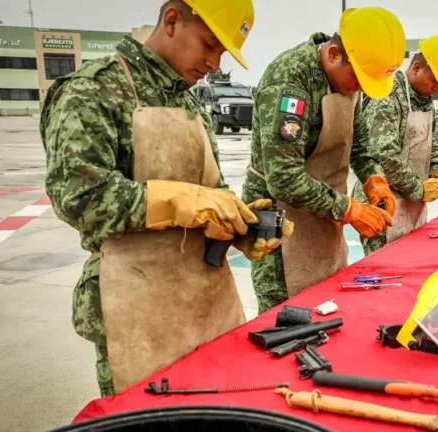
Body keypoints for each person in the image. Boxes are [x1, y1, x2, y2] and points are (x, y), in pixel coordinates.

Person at [40, 0, 291, 398]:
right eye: (209, 44)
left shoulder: (191, 103)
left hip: (206, 302)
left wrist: (239, 224)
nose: (213, 62)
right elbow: (77, 198)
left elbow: (212, 189)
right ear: (172, 20)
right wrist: (177, 200)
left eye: (222, 53)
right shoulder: (93, 90)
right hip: (135, 306)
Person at [242, 6, 405, 314]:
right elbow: (284, 178)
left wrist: (375, 179)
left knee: (326, 304)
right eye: (357, 79)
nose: (358, 88)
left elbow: (359, 142)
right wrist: (349, 209)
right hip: (276, 218)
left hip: (324, 214)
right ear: (333, 54)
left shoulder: (347, 76)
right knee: (286, 319)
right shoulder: (290, 82)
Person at [351, 34, 438, 256]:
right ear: (417, 67)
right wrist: (420, 189)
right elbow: (383, 156)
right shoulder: (388, 96)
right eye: (436, 80)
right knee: (384, 272)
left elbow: (433, 145)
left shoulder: (426, 101)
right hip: (383, 205)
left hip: (413, 205)